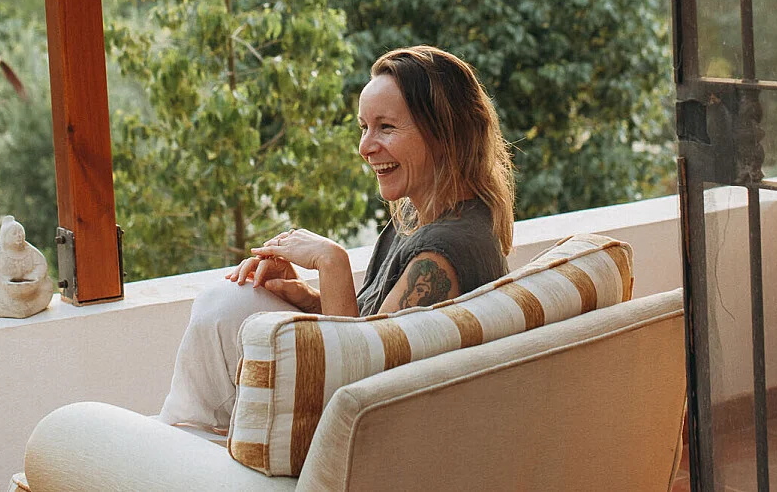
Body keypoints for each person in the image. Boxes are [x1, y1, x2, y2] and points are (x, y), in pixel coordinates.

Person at [157, 45, 515, 433]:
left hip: (363, 436)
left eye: (386, 127)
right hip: (345, 417)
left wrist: (332, 261)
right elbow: (375, 328)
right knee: (228, 303)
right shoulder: (419, 221)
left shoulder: (444, 254)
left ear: (446, 133)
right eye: (364, 127)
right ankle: (182, 433)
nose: (365, 147)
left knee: (217, 318)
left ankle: (182, 436)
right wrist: (308, 297)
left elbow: (361, 387)